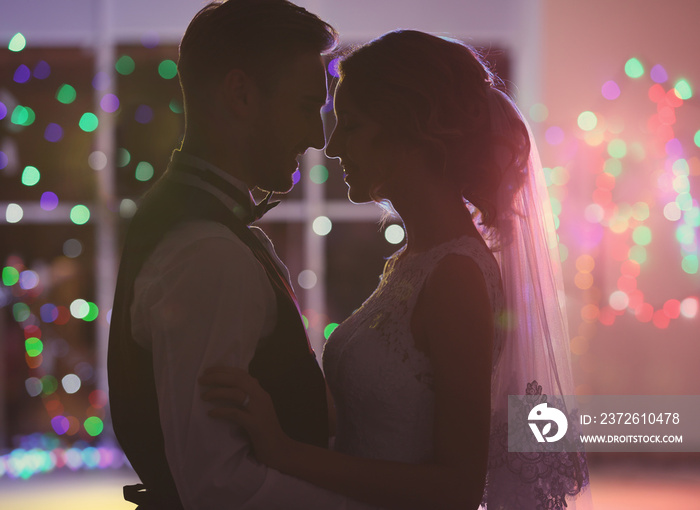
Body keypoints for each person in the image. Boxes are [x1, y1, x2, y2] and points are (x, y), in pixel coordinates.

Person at [199, 30, 592, 509]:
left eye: (352, 125)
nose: (333, 145)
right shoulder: (414, 262)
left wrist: (284, 453)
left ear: (411, 131)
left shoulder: (456, 277)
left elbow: (457, 489)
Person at [108, 1, 381, 508]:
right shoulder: (209, 254)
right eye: (305, 107)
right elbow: (219, 487)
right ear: (241, 94)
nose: (317, 138)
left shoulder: (201, 227)